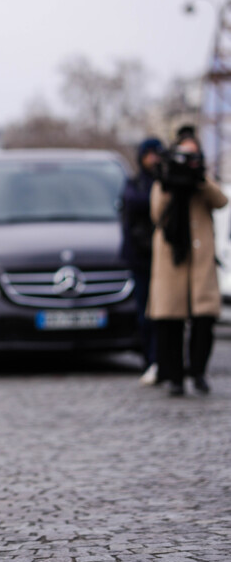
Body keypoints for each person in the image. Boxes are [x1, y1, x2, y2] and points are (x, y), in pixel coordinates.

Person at [148, 130, 227, 396]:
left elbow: (221, 201)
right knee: (171, 322)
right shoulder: (164, 179)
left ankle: (199, 372)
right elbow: (156, 213)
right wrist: (171, 180)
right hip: (173, 259)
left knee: (203, 320)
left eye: (193, 154)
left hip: (200, 260)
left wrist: (199, 179)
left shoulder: (202, 179)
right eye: (184, 153)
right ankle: (174, 376)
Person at [120, 137, 164, 385]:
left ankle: (162, 360)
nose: (153, 160)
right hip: (141, 257)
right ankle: (150, 360)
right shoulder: (135, 183)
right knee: (144, 313)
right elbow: (135, 202)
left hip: (163, 258)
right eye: (150, 154)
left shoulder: (161, 181)